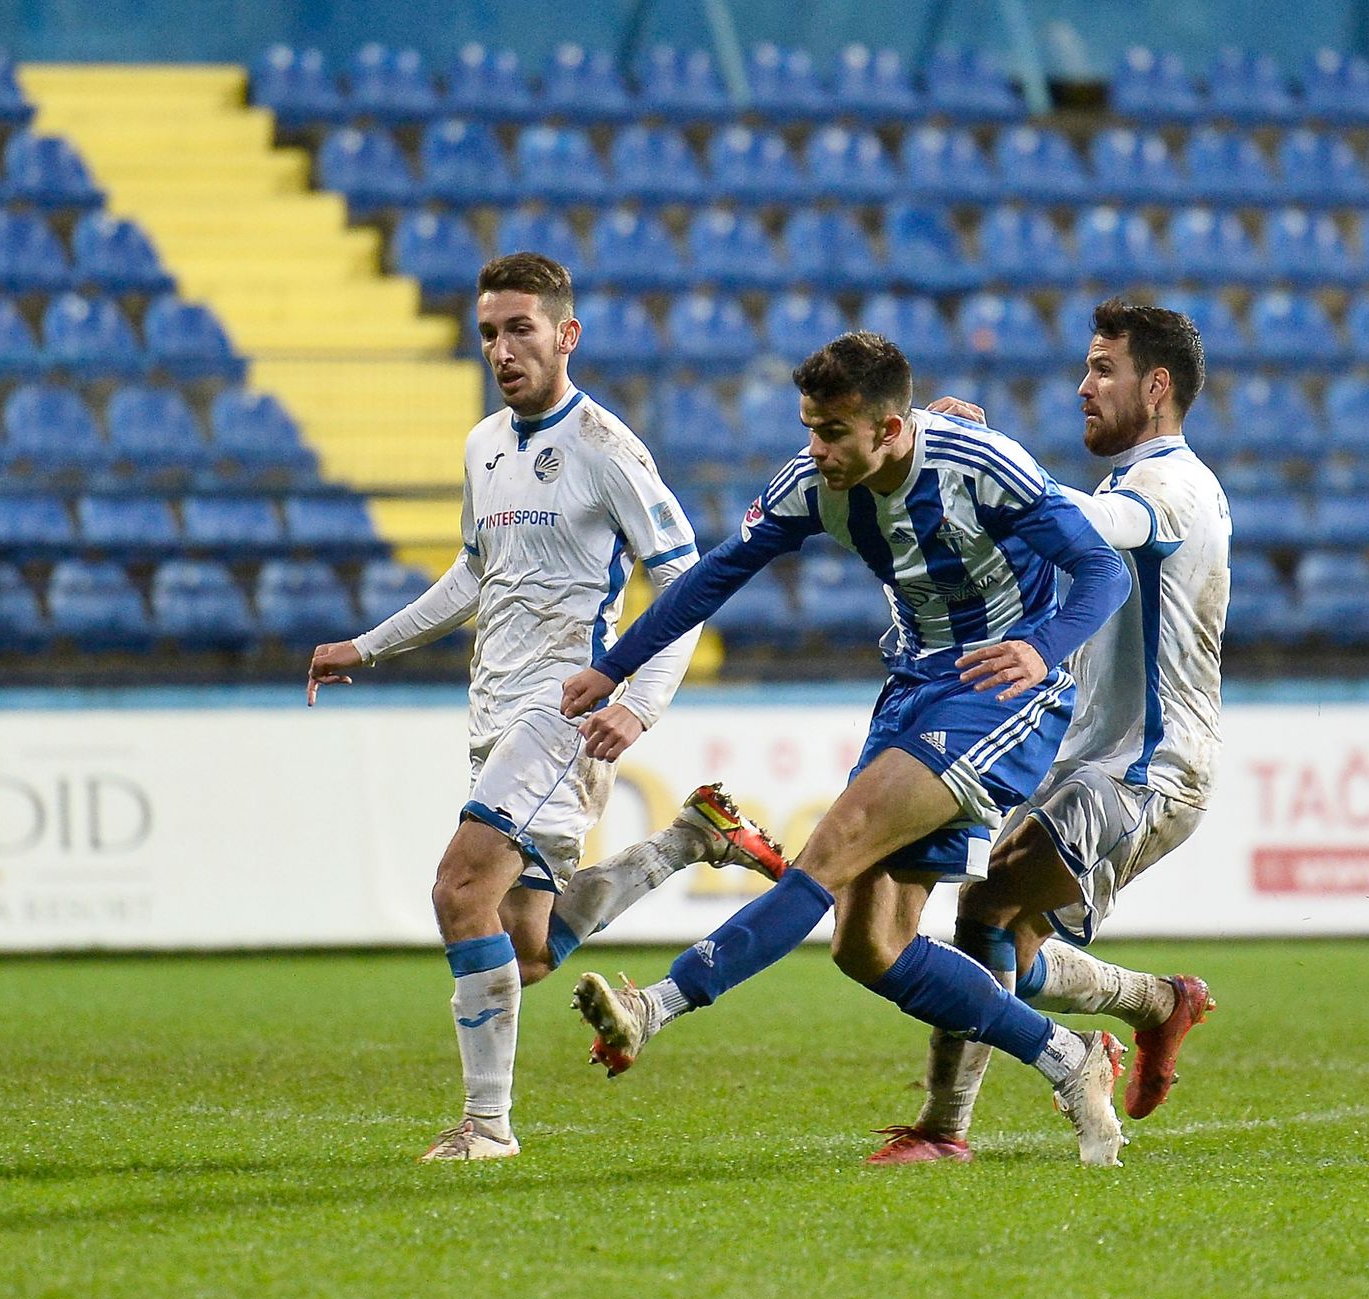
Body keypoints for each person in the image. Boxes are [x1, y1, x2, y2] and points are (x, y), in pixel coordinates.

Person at [565, 330, 1140, 1165]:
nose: (816, 449)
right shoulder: (812, 483)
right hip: (911, 686)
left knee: (826, 853)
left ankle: (656, 1005)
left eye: (834, 432)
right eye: (810, 427)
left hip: (1005, 688)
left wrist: (1042, 647)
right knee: (867, 945)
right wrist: (613, 666)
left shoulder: (980, 465)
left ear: (891, 430)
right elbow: (717, 573)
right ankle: (1070, 1056)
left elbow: (1105, 572)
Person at [306, 252, 786, 1163]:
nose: (501, 347)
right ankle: (690, 840)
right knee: (523, 950)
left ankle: (486, 1128)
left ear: (567, 335)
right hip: (494, 716)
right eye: (488, 331)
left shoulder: (609, 448)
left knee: (458, 890)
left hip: (564, 712)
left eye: (519, 328)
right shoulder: (483, 445)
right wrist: (365, 645)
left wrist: (636, 701)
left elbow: (686, 579)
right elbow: (472, 575)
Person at [868, 298, 1227, 1165]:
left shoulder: (1169, 490)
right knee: (1011, 956)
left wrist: (970, 459)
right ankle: (1156, 1002)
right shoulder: (1132, 481)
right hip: (1096, 762)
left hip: (1147, 772)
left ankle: (945, 1130)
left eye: (1103, 369)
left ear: (1158, 385)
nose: (1083, 386)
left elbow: (1089, 528)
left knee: (983, 906)